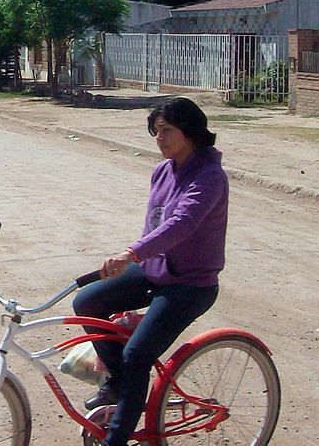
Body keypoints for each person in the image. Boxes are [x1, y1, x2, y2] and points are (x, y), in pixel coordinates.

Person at [72, 96, 228, 446]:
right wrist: (137, 257)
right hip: (154, 271)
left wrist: (130, 254)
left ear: (190, 132)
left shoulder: (209, 177)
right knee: (87, 303)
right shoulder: (163, 170)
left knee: (137, 354)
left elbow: (181, 224)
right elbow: (155, 224)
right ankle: (121, 385)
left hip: (189, 284)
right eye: (156, 132)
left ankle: (118, 436)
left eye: (167, 131)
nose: (160, 138)